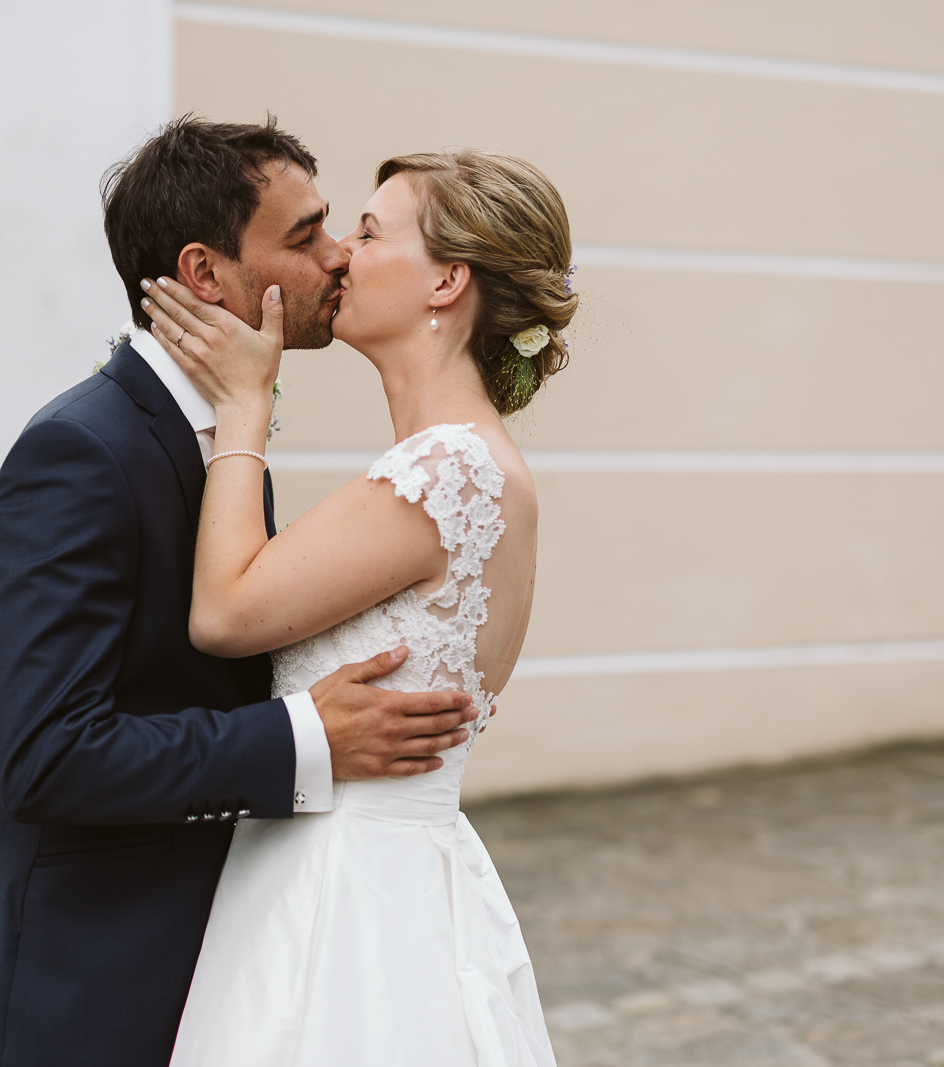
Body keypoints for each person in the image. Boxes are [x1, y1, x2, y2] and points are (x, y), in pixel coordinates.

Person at [0, 117, 482, 1067]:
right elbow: (50, 755)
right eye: (306, 235)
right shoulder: (80, 451)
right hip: (93, 978)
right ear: (205, 273)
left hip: (231, 970)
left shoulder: (231, 440)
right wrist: (308, 735)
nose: (337, 257)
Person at [138, 147, 574, 1065]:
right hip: (385, 872)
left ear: (447, 280)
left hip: (346, 896)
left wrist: (243, 406)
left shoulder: (444, 472)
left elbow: (222, 612)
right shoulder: (475, 470)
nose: (339, 253)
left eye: (369, 232)